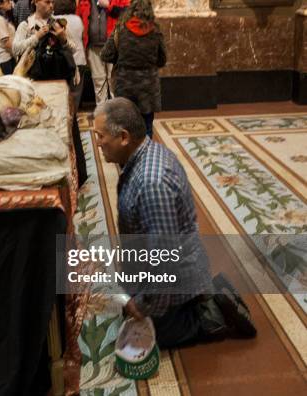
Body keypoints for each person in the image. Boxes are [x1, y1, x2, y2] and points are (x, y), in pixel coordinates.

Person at [92, 97, 257, 348]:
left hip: (176, 275)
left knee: (156, 335)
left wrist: (145, 303)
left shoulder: (152, 183)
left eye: (100, 136)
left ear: (124, 137)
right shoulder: (147, 151)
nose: (98, 143)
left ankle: (211, 315)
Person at [101, 0, 165, 138]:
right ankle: (144, 157)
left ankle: (127, 157)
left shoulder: (120, 29)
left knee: (125, 128)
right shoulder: (155, 31)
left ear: (130, 11)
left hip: (125, 86)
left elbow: (106, 54)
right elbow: (162, 60)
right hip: (148, 88)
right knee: (147, 127)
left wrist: (122, 58)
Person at [54, 0, 86, 110]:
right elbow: (83, 35)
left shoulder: (54, 20)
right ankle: (73, 119)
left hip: (62, 61)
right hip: (78, 59)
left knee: (61, 94)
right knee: (76, 94)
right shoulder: (77, 19)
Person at [87, 0, 112, 105]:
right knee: (98, 81)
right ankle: (102, 112)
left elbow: (125, 10)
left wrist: (109, 6)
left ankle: (118, 113)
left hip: (113, 45)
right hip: (93, 46)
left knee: (113, 80)